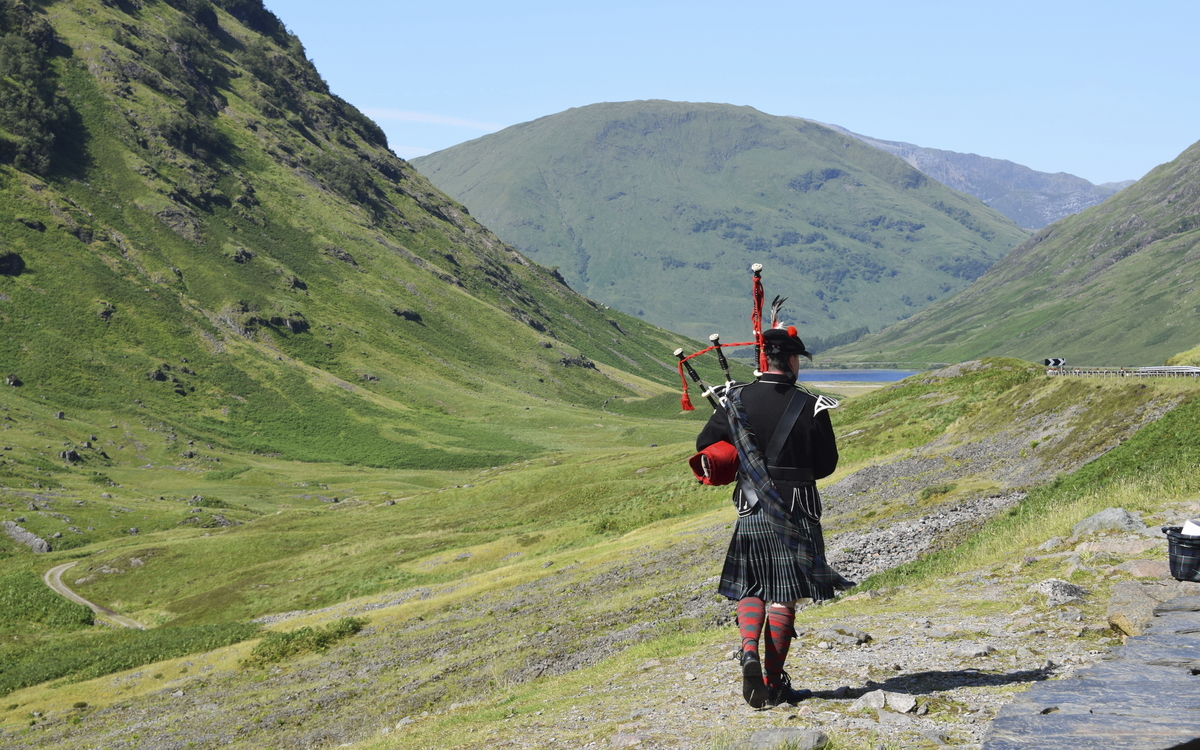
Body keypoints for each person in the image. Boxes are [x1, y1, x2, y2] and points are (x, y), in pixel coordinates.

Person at [695, 325, 848, 708]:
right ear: (792, 361)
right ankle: (774, 683)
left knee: (752, 587)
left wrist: (744, 457)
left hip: (752, 505)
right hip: (797, 507)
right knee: (783, 596)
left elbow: (705, 446)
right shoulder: (810, 403)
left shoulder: (736, 398)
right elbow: (827, 464)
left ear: (764, 360)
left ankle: (748, 649)